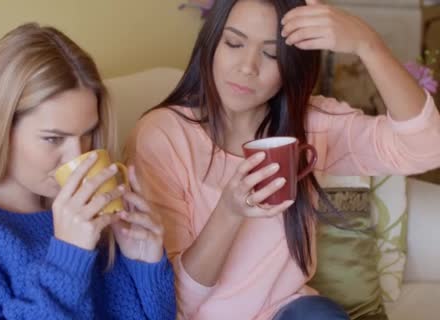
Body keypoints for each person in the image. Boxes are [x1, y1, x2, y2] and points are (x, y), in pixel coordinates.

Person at [125, 0, 440, 319]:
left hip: (287, 311)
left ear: (291, 66)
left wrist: (367, 44)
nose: (247, 67)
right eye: (234, 43)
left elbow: (426, 147)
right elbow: (173, 299)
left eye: (271, 53)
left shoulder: (309, 124)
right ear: (211, 44)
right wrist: (229, 211)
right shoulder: (163, 135)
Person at [0, 23, 176, 320]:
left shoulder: (88, 207)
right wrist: (68, 259)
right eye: (54, 139)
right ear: (0, 129)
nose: (79, 157)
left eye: (88, 134)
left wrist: (144, 263)